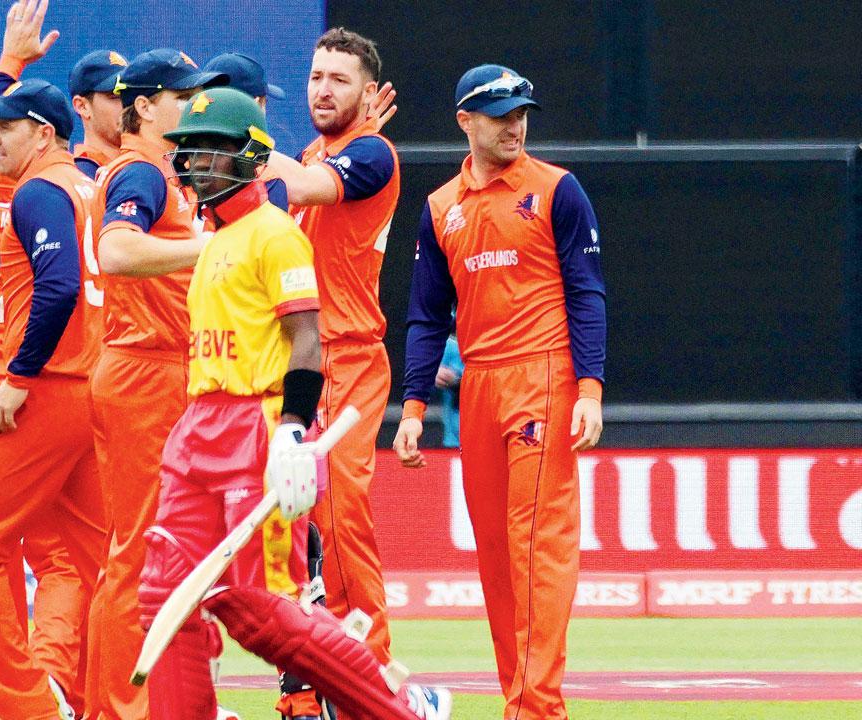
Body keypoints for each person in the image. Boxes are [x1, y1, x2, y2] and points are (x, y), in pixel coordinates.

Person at [136, 85, 451, 720]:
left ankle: (404, 708)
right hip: (197, 428)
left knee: (257, 610)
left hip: (256, 427)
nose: (195, 166)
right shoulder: (213, 241)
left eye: (211, 154)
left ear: (252, 159)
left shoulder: (276, 235)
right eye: (188, 154)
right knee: (160, 594)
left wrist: (290, 431)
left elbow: (306, 340)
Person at [393, 64, 606, 720]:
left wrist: (590, 389)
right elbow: (428, 315)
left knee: (536, 542)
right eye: (501, 114)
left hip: (544, 374)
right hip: (480, 386)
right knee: (495, 552)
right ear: (465, 121)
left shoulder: (557, 191)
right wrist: (413, 405)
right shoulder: (439, 208)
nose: (516, 124)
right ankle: (523, 695)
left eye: (522, 113)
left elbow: (587, 292)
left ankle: (535, 707)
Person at [0, 24, 105, 715]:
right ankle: (77, 690)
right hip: (90, 390)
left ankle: (29, 703)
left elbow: (60, 286)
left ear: (41, 132)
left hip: (42, 395)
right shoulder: (88, 184)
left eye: (4, 129)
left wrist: (18, 377)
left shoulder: (36, 193)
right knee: (91, 556)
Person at [82, 47, 220, 720]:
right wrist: (217, 247)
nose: (194, 106)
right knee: (138, 550)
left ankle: (149, 700)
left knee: (155, 548)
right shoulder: (140, 172)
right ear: (143, 106)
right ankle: (118, 708)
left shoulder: (160, 172)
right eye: (182, 95)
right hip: (144, 371)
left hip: (158, 368)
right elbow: (117, 251)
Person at [261, 27, 401, 667]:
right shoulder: (315, 150)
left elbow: (296, 185)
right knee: (295, 526)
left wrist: (236, 135)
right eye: (316, 76)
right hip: (297, 357)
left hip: (347, 356)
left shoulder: (372, 153)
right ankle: (307, 680)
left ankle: (371, 679)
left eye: (339, 80)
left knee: (340, 520)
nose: (321, 89)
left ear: (369, 95)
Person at [69, 49, 128, 179]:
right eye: (115, 96)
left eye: (130, 94)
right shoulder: (77, 178)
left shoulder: (156, 167)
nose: (128, 104)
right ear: (82, 106)